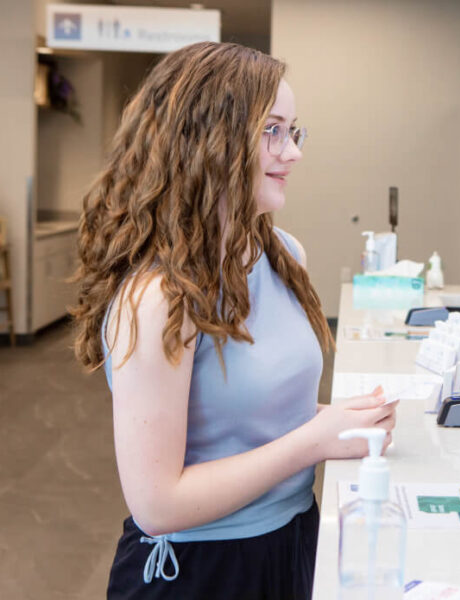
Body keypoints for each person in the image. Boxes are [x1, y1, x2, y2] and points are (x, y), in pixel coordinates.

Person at [72, 42, 397, 599]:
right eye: (272, 130)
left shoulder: (282, 253)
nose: (292, 152)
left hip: (292, 540)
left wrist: (338, 419)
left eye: (295, 131)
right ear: (205, 140)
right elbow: (157, 504)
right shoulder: (158, 299)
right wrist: (315, 441)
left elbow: (254, 415)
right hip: (201, 573)